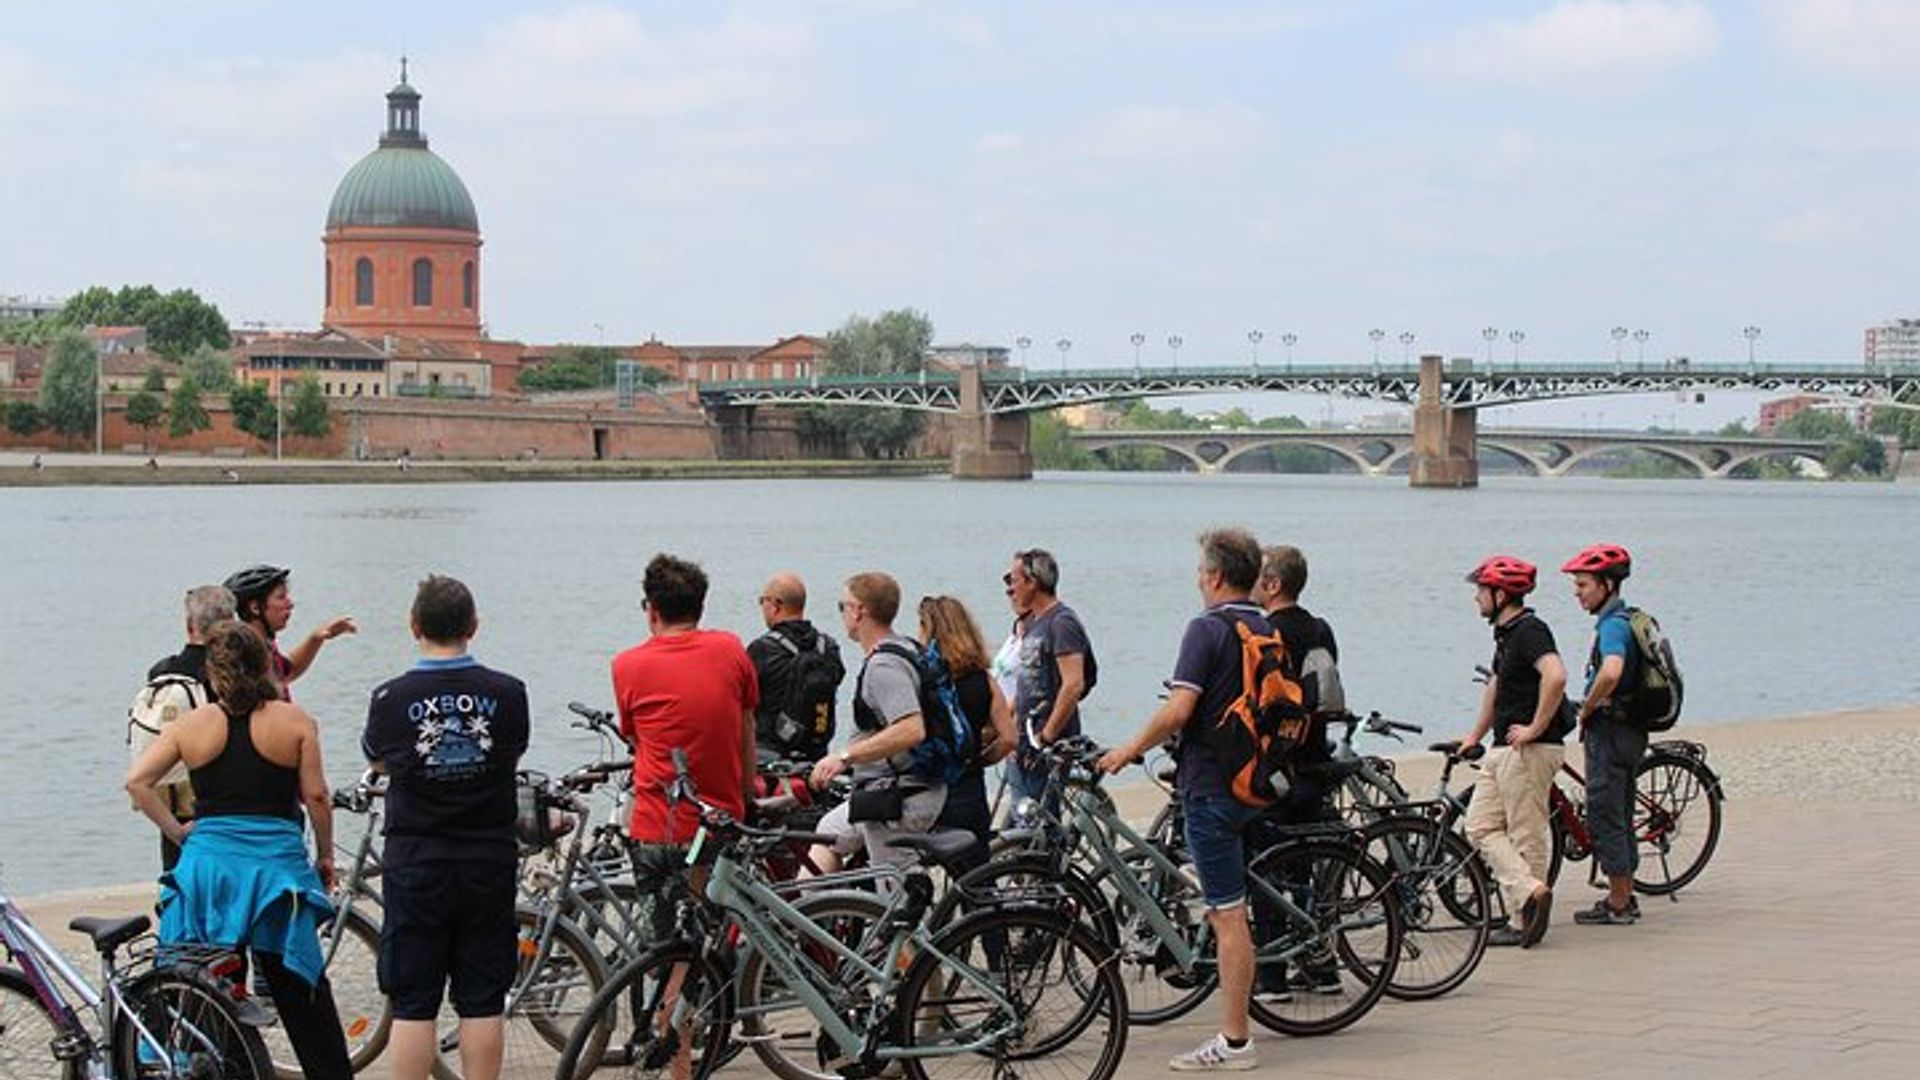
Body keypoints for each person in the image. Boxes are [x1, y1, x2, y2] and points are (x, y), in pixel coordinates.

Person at [126, 620, 353, 1080]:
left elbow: (138, 782)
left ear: (214, 673)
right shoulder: (295, 722)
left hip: (209, 871)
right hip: (273, 872)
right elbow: (317, 798)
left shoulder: (193, 726)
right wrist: (325, 857)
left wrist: (177, 831)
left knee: (212, 992)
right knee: (303, 993)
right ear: (267, 664)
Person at [1098, 528, 1270, 1071]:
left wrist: (1126, 750)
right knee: (1235, 903)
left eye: (1201, 570)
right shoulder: (1264, 624)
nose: (1198, 578)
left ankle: (1235, 1042)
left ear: (1216, 576)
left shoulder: (1206, 628)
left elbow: (1178, 710)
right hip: (1255, 780)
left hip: (1212, 785)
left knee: (1227, 916)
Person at [362, 576, 530, 1080]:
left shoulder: (390, 697)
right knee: (482, 998)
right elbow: (510, 754)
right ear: (473, 627)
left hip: (417, 859)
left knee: (414, 1001)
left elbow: (380, 760)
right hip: (488, 856)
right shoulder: (508, 692)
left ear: (414, 627)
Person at [613, 553, 758, 926]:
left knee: (664, 939)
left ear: (652, 611)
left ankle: (673, 981)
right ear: (700, 607)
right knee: (710, 926)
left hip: (658, 827)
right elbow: (746, 728)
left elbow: (633, 736)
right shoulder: (731, 650)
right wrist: (745, 795)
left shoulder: (627, 665)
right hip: (719, 822)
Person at [1456, 556, 1567, 948]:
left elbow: (1556, 675)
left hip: (1529, 749)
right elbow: (1496, 688)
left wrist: (1535, 727)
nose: (1476, 599)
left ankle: (1525, 922)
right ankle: (1530, 890)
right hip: (1504, 748)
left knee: (1525, 833)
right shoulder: (1508, 633)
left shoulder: (1531, 631)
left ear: (1500, 594)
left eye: (1480, 591)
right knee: (1480, 826)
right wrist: (1474, 736)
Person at [808, 572, 947, 873]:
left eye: (842, 606)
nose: (842, 614)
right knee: (827, 835)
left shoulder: (884, 665)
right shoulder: (908, 647)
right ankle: (809, 915)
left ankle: (898, 917)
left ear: (859, 611)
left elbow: (912, 728)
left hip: (898, 798)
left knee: (894, 892)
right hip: (891, 788)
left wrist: (844, 757)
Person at [1565, 543, 1647, 926]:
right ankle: (1624, 893)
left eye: (1583, 584)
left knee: (1605, 813)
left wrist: (1587, 707)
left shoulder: (1613, 625)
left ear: (1608, 584)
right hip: (1631, 730)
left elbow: (1611, 671)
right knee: (1622, 811)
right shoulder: (1627, 619)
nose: (1577, 592)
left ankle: (1618, 903)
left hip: (1610, 731)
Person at [141, 584, 237, 871]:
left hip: (174, 803)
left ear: (189, 625)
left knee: (179, 891)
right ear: (230, 624)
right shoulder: (233, 675)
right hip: (222, 809)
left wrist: (175, 831)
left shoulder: (161, 673)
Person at [919, 595, 1017, 866]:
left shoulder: (925, 680)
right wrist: (981, 759)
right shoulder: (984, 680)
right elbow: (1009, 738)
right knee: (976, 880)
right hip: (970, 790)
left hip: (930, 789)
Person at [1004, 548, 1093, 804]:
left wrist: (1047, 735)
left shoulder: (1062, 623)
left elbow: (1074, 684)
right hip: (1024, 742)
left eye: (1014, 579)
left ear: (1033, 582)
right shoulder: (1034, 623)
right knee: (1022, 825)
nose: (1011, 588)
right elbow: (1027, 685)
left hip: (1047, 747)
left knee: (1040, 831)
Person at [746, 571, 846, 763]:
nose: (762, 607)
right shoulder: (828, 647)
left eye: (763, 601)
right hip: (816, 756)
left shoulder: (762, 649)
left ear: (776, 605)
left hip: (770, 758)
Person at [224, 564, 357, 694]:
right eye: (281, 597)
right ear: (255, 608)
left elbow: (288, 671)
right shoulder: (244, 659)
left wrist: (316, 638)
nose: (290, 604)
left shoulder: (265, 645)